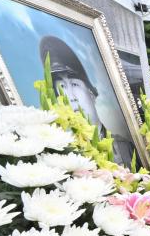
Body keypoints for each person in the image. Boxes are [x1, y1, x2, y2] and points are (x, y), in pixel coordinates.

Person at [39, 35, 135, 165]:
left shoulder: (127, 148)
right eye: (61, 87)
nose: (70, 97)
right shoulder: (64, 157)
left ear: (91, 93)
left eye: (74, 84)